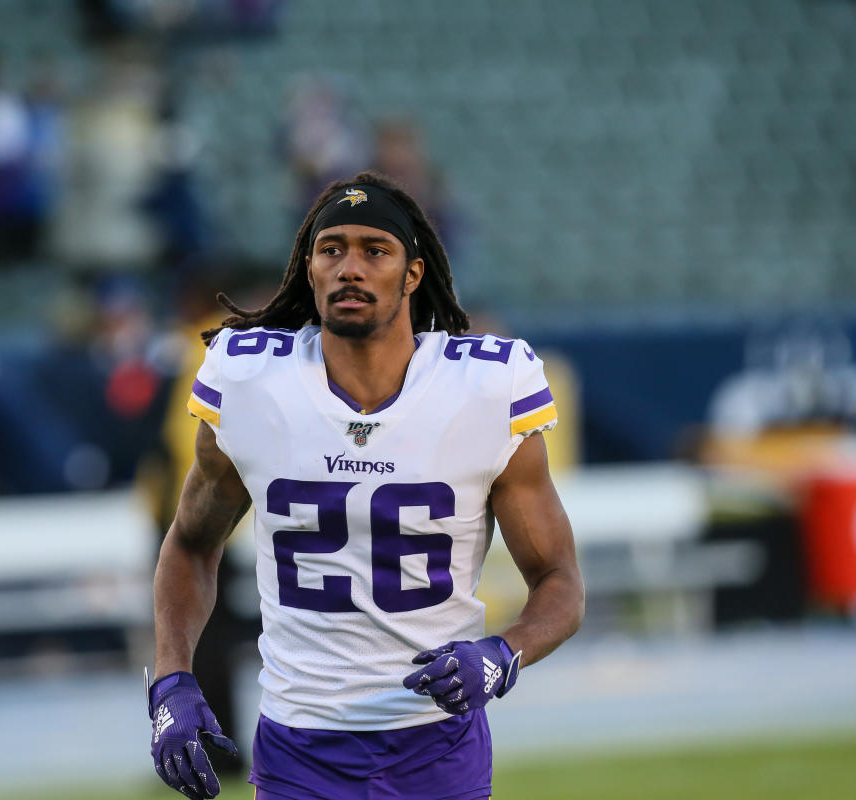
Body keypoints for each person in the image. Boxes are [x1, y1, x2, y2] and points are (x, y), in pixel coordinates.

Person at [148, 172, 585, 800]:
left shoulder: (486, 390)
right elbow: (190, 544)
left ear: (411, 274)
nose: (349, 267)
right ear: (308, 269)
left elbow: (561, 582)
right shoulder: (249, 381)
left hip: (437, 741)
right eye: (332, 249)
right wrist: (171, 679)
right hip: (299, 742)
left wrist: (501, 654)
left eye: (374, 250)